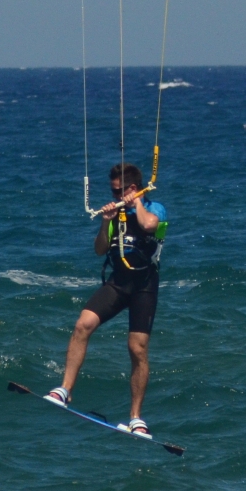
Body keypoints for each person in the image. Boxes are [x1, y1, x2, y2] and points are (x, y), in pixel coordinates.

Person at [46, 162, 170, 437]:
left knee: (137, 349)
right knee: (83, 325)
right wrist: (106, 221)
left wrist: (136, 203)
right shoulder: (115, 215)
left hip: (144, 285)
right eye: (113, 191)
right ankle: (65, 390)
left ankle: (136, 418)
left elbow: (149, 225)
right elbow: (100, 249)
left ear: (133, 188)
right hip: (118, 282)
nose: (114, 196)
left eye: (118, 191)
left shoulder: (155, 208)